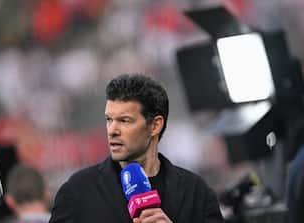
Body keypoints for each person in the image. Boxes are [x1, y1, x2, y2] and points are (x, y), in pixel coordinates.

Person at [49, 74, 224, 223]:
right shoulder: (78, 191)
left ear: (155, 125)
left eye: (124, 120)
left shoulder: (196, 192)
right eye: (109, 120)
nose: (112, 130)